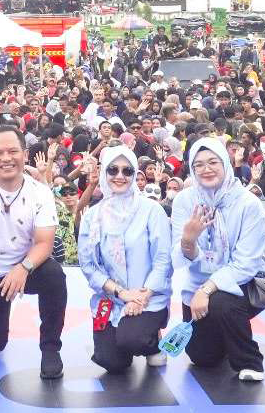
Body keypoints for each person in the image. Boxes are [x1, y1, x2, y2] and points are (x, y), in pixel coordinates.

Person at [0, 125, 67, 380]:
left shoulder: (40, 192)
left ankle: (50, 348)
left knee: (54, 274)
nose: (6, 158)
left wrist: (23, 268)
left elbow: (44, 242)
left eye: (12, 151)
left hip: (25, 269)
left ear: (25, 154)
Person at [170, 136, 265, 380]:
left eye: (213, 162)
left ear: (225, 163)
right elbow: (180, 257)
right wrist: (189, 240)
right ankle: (225, 335)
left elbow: (245, 264)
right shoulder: (185, 200)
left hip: (243, 284)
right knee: (203, 358)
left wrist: (206, 290)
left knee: (222, 301)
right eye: (199, 164)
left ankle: (250, 361)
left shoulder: (248, 204)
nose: (206, 169)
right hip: (196, 285)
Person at [77, 144, 171, 374]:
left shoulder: (151, 210)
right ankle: (125, 336)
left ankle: (153, 342)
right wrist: (121, 293)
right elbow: (88, 266)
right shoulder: (93, 215)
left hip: (147, 297)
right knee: (110, 361)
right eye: (113, 170)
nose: (119, 176)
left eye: (127, 171)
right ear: (104, 173)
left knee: (133, 340)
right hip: (111, 298)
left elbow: (163, 260)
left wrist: (141, 295)